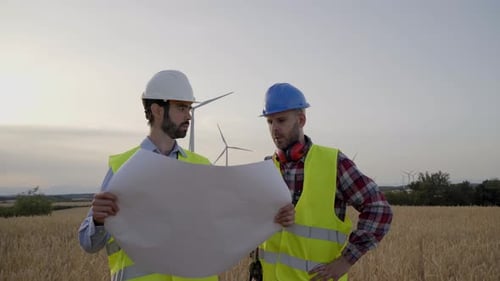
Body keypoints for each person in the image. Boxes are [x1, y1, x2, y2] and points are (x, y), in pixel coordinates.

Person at [78, 70, 220, 281]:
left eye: (189, 108)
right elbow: (89, 243)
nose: (189, 115)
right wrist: (98, 221)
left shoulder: (202, 167)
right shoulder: (122, 168)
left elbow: (223, 226)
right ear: (157, 110)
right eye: (182, 107)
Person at [258, 83, 393, 281]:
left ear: (301, 120)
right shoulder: (266, 168)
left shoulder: (334, 163)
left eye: (281, 120)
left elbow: (379, 209)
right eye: (269, 122)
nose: (274, 129)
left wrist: (346, 261)